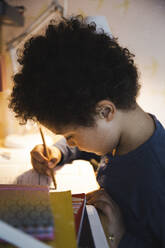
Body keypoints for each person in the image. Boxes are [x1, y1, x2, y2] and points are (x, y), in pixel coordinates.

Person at [9, 16, 165, 248]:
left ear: (105, 112)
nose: (71, 143)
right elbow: (92, 151)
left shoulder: (155, 180)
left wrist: (120, 238)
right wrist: (58, 151)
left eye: (70, 136)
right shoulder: (119, 136)